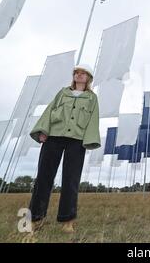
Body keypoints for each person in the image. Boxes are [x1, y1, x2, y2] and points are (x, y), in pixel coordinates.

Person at [29, 64, 101, 233]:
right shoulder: (63, 92)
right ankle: (35, 218)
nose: (79, 75)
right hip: (53, 137)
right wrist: (43, 131)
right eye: (77, 72)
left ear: (89, 78)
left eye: (83, 73)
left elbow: (93, 119)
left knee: (71, 180)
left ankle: (67, 220)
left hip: (76, 141)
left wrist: (88, 140)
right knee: (43, 178)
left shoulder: (92, 98)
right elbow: (50, 110)